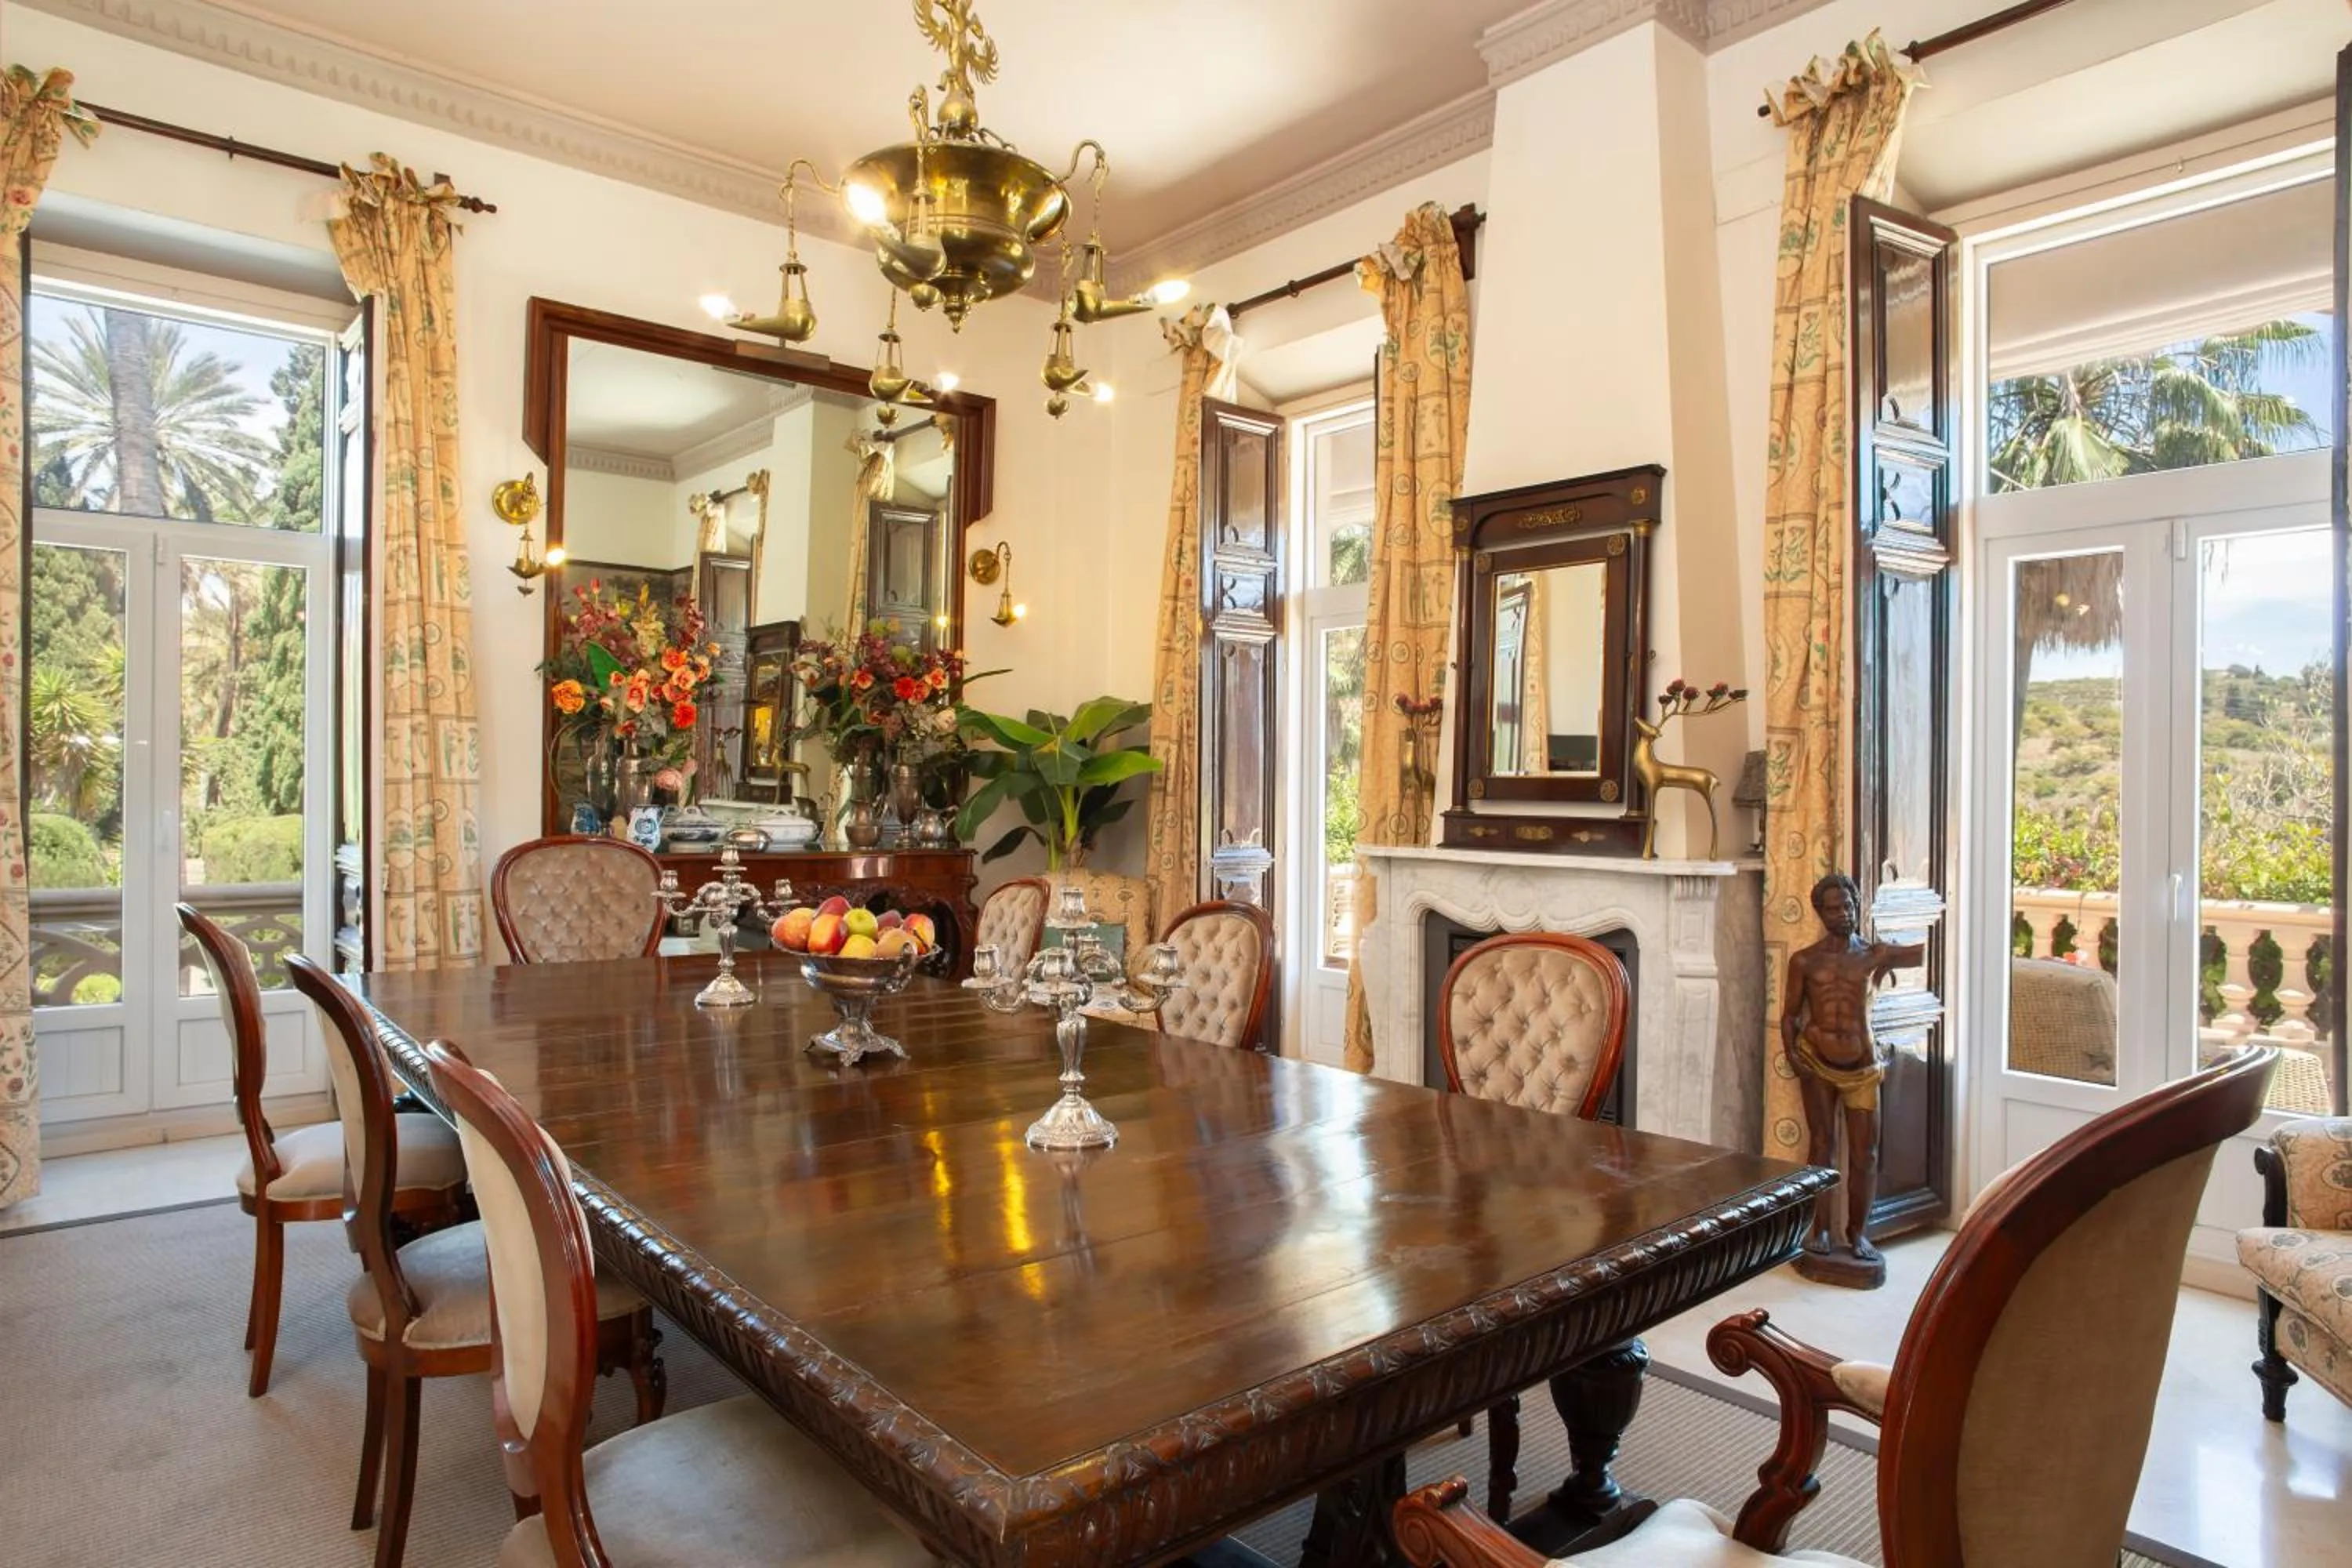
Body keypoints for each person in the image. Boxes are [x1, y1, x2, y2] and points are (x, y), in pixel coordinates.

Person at [1780, 871, 1922, 1287]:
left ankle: (1858, 1232)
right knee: (1821, 1146)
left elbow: (1929, 951)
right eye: (1833, 908)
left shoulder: (1875, 955)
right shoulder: (1804, 960)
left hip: (1862, 1066)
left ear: (1857, 906)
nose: (1843, 914)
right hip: (1816, 1060)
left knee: (1866, 1153)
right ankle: (1820, 1230)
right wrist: (1792, 1054)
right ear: (1819, 913)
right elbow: (1789, 1014)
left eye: (1848, 906)